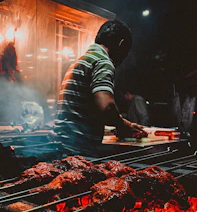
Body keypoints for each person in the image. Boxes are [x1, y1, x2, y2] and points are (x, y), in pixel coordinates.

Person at [53, 20, 146, 156]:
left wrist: (124, 124)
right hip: (79, 150)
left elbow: (83, 109)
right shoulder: (103, 61)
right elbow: (107, 107)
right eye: (125, 53)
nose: (122, 60)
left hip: (63, 146)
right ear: (121, 44)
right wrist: (122, 126)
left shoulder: (82, 60)